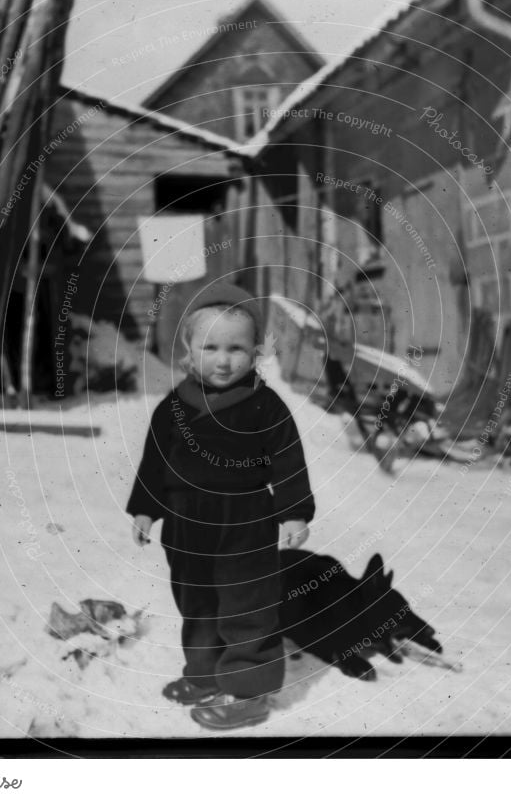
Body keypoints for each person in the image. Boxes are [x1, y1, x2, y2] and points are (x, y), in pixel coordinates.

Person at [127, 281, 315, 730]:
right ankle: (206, 674)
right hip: (186, 522)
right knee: (197, 603)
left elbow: (288, 459)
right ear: (189, 351)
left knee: (245, 605)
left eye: (236, 347)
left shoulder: (264, 406)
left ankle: (248, 692)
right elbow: (156, 461)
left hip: (244, 519)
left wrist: (292, 510)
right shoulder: (173, 407)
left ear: (255, 352)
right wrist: (145, 509)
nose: (223, 358)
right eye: (210, 346)